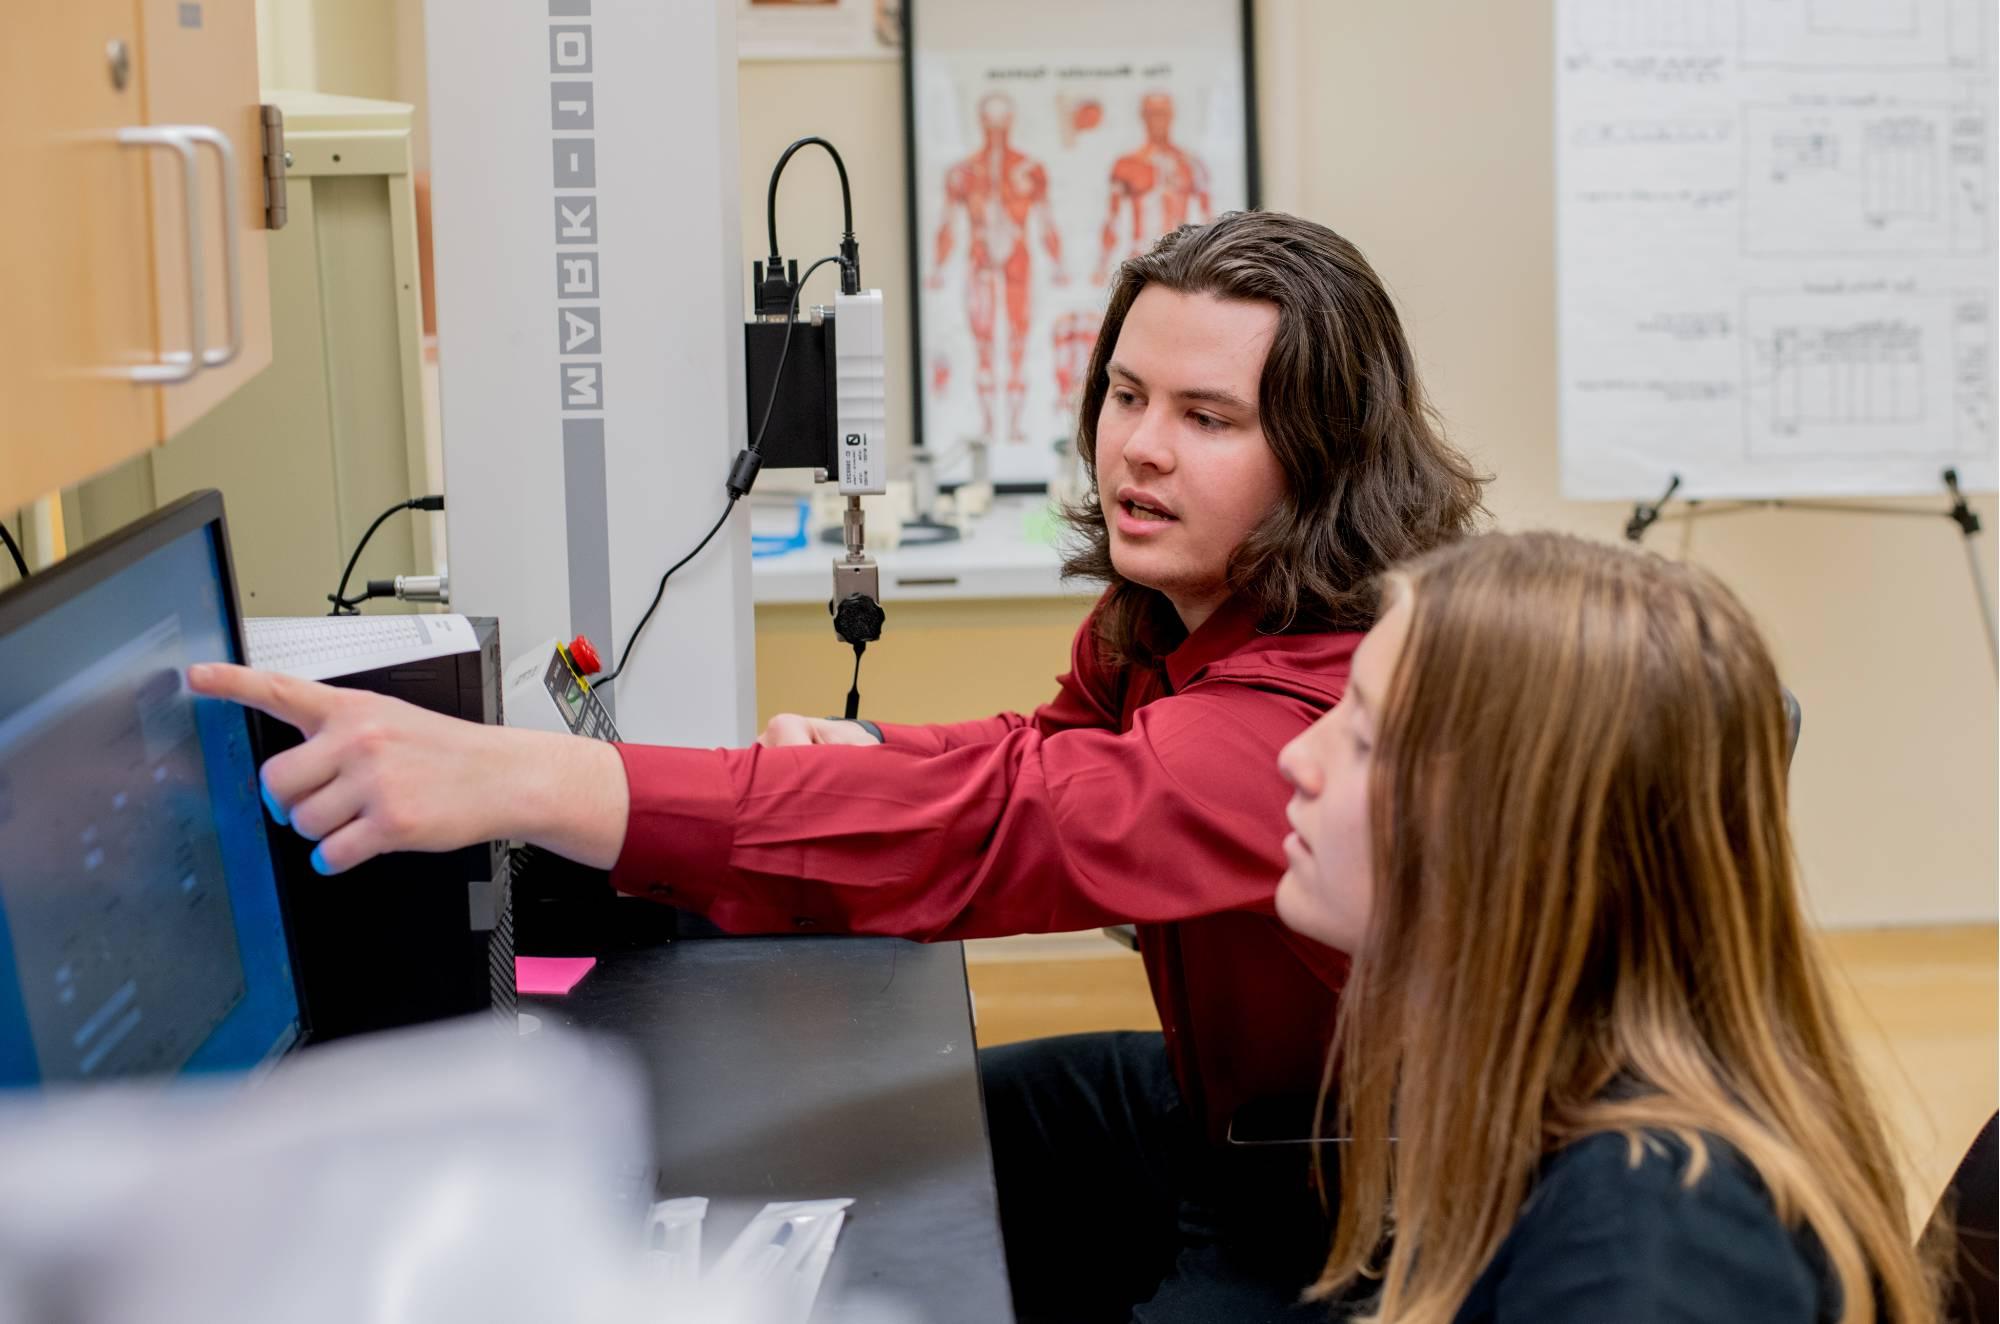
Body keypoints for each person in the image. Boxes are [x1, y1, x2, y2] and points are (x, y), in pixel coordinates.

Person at [189, 210, 1486, 1319]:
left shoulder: (1307, 702)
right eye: (1128, 396)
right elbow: (1057, 754)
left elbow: (1022, 821)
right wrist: (874, 752)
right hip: (1226, 1111)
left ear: (1320, 459)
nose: (1139, 447)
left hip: (1360, 1200)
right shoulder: (1173, 614)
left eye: (1207, 417)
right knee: (902, 1153)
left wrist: (529, 778)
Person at [1272, 531, 1939, 1323]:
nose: (1295, 757)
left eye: (1366, 739)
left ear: (1527, 839)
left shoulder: (1646, 1247)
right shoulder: (1527, 1092)